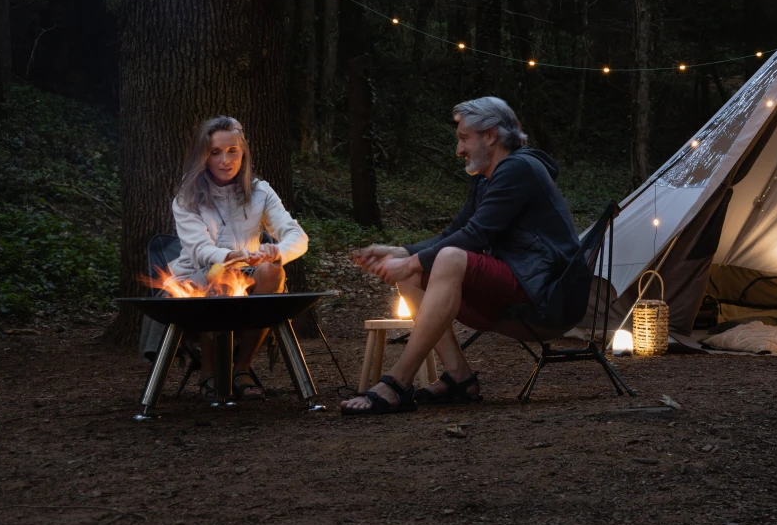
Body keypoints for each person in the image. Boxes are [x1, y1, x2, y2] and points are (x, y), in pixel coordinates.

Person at [342, 96, 580, 414]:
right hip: (522, 282)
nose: (459, 150)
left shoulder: (519, 168)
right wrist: (400, 253)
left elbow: (475, 236)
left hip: (548, 293)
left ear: (491, 135)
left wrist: (409, 262)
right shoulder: (487, 179)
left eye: (464, 138)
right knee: (419, 271)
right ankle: (460, 378)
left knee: (450, 258)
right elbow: (452, 232)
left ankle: (397, 383)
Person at [169, 116, 309, 398]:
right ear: (203, 156)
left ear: (243, 152)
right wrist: (237, 256)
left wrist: (276, 252)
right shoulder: (187, 196)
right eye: (215, 152)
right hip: (195, 278)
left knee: (272, 272)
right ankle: (209, 372)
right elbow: (200, 251)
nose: (225, 160)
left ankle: (241, 368)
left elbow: (298, 236)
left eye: (232, 150)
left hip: (247, 273)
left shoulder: (260, 191)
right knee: (223, 272)